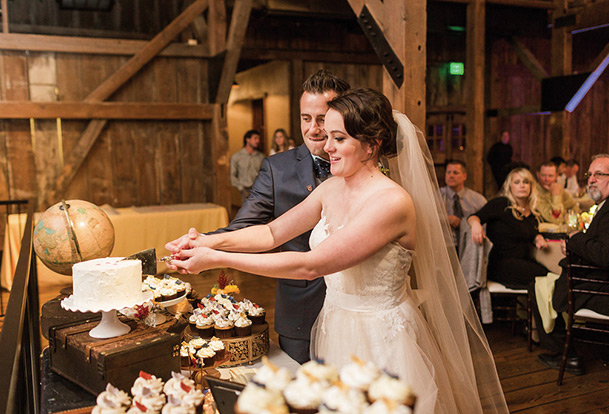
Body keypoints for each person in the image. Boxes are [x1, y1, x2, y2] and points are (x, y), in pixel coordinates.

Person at [166, 88, 508, 413]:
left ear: (371, 146)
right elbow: (271, 233)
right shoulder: (331, 188)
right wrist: (206, 240)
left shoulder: (391, 203)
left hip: (381, 340)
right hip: (336, 325)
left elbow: (311, 265)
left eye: (339, 138)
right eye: (327, 136)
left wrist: (216, 260)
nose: (326, 146)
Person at [166, 69, 351, 364]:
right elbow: (254, 228)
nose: (314, 129)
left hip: (356, 309)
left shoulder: (366, 171)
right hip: (301, 309)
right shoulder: (278, 168)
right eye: (306, 118)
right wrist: (203, 243)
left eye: (322, 118)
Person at [530, 154, 609, 375]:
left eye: (599, 175)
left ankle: (567, 355)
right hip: (607, 283)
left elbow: (606, 256)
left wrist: (575, 239)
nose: (591, 180)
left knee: (542, 287)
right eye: (590, 175)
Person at [468, 168, 550, 289]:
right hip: (501, 264)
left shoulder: (532, 214)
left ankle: (534, 307)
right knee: (547, 278)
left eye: (526, 182)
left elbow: (529, 233)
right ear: (510, 186)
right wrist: (475, 225)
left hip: (522, 263)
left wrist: (537, 238)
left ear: (531, 187)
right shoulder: (501, 204)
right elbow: (473, 217)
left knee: (548, 277)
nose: (522, 186)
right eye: (517, 182)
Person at [439, 160, 486, 254]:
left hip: (470, 247)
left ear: (464, 176)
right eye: (448, 172)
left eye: (455, 173)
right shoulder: (436, 197)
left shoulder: (477, 199)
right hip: (444, 247)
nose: (451, 176)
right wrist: (445, 218)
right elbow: (426, 219)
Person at [230, 130, 265, 203]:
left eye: (259, 139)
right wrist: (240, 188)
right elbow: (232, 175)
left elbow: (264, 174)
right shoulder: (237, 157)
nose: (258, 141)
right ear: (248, 140)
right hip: (244, 190)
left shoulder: (261, 157)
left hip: (258, 190)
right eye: (255, 138)